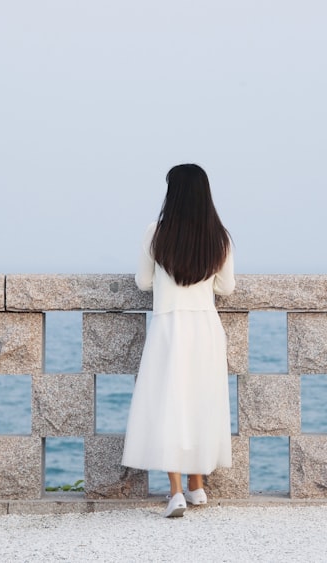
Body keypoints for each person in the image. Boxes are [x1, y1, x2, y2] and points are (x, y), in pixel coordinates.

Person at [121, 163, 235, 518]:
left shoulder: (157, 233)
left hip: (169, 327)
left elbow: (142, 282)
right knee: (201, 401)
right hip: (205, 326)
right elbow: (227, 287)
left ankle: (175, 493)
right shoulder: (219, 236)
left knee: (171, 404)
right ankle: (197, 485)